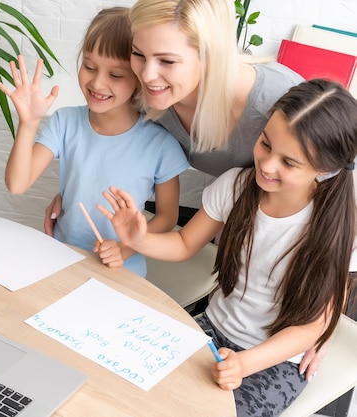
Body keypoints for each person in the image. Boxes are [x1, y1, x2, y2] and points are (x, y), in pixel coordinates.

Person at [41, 0, 329, 377]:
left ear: (209, 56)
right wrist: (78, 187)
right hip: (235, 235)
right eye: (138, 55)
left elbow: (339, 194)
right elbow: (114, 143)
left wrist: (323, 324)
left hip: (306, 258)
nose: (146, 74)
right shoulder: (149, 93)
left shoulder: (276, 101)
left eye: (167, 61)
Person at [97, 79, 357, 417]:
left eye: (289, 162)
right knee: (130, 393)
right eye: (265, 144)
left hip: (274, 360)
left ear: (326, 169)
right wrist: (138, 239)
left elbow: (312, 326)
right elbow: (184, 242)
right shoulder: (237, 186)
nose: (266, 165)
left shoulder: (337, 227)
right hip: (212, 328)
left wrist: (246, 363)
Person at [0, 7, 189, 277]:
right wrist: (28, 124)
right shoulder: (65, 122)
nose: (97, 82)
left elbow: (168, 217)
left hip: (123, 270)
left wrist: (126, 248)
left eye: (116, 75)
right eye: (89, 66)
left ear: (139, 77)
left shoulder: (161, 144)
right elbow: (17, 184)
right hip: (62, 260)